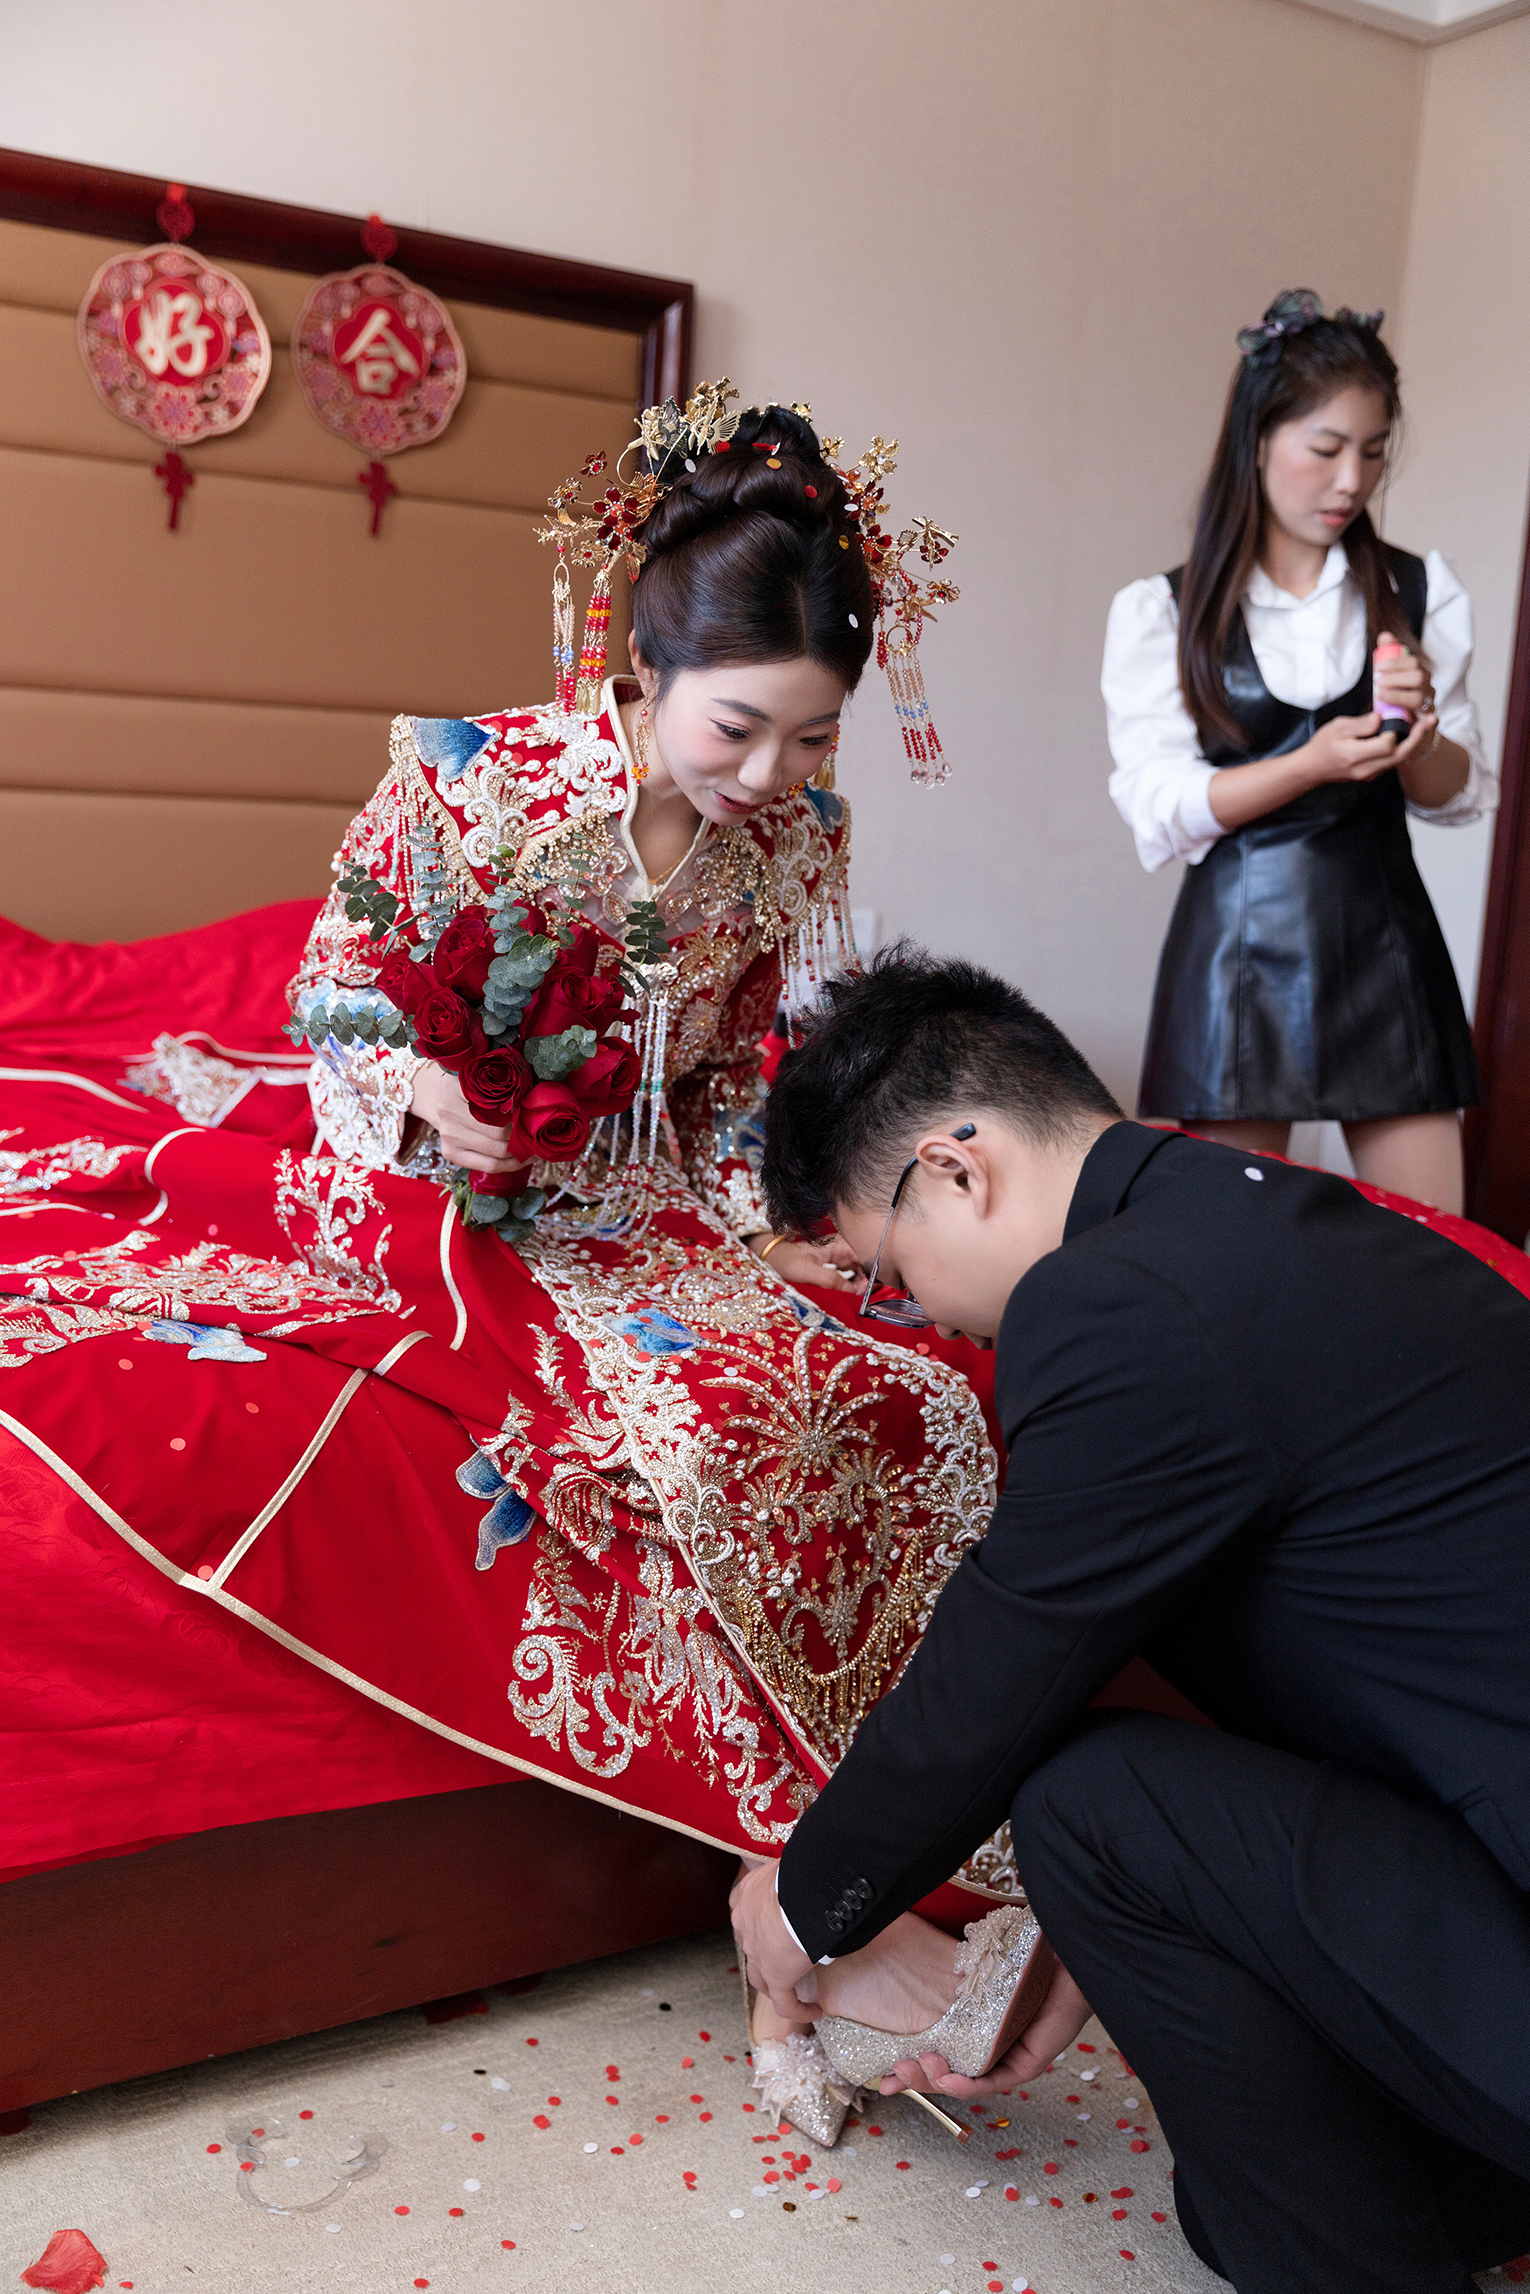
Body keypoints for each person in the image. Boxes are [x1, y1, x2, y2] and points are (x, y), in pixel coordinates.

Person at [0, 393, 1006, 2146]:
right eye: (738, 726)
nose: (768, 774)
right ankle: (812, 1902)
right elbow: (331, 996)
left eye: (810, 735)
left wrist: (781, 1211)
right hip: (438, 1185)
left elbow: (742, 1067)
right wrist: (419, 1101)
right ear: (640, 665)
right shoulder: (470, 778)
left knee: (887, 1386)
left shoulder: (796, 834)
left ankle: (845, 1873)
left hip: (657, 1189)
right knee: (651, 1423)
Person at [732, 946, 1530, 2294]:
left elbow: (1003, 1662)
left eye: (890, 1273)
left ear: (955, 1169)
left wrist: (801, 1902)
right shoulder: (1276, 1219)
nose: (923, 1314)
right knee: (1243, 2203)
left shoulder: (1114, 1297)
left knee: (1089, 1798)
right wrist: (1123, 1931)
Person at [1102, 289, 1495, 1213]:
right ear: (1257, 439)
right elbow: (1164, 808)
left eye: (1374, 451)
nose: (1352, 481)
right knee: (1236, 1252)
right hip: (1238, 952)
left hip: (1387, 944)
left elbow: (1460, 792)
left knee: (1438, 1251)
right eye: (1326, 449)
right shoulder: (1164, 610)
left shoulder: (1420, 589)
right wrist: (1310, 765)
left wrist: (1418, 735)